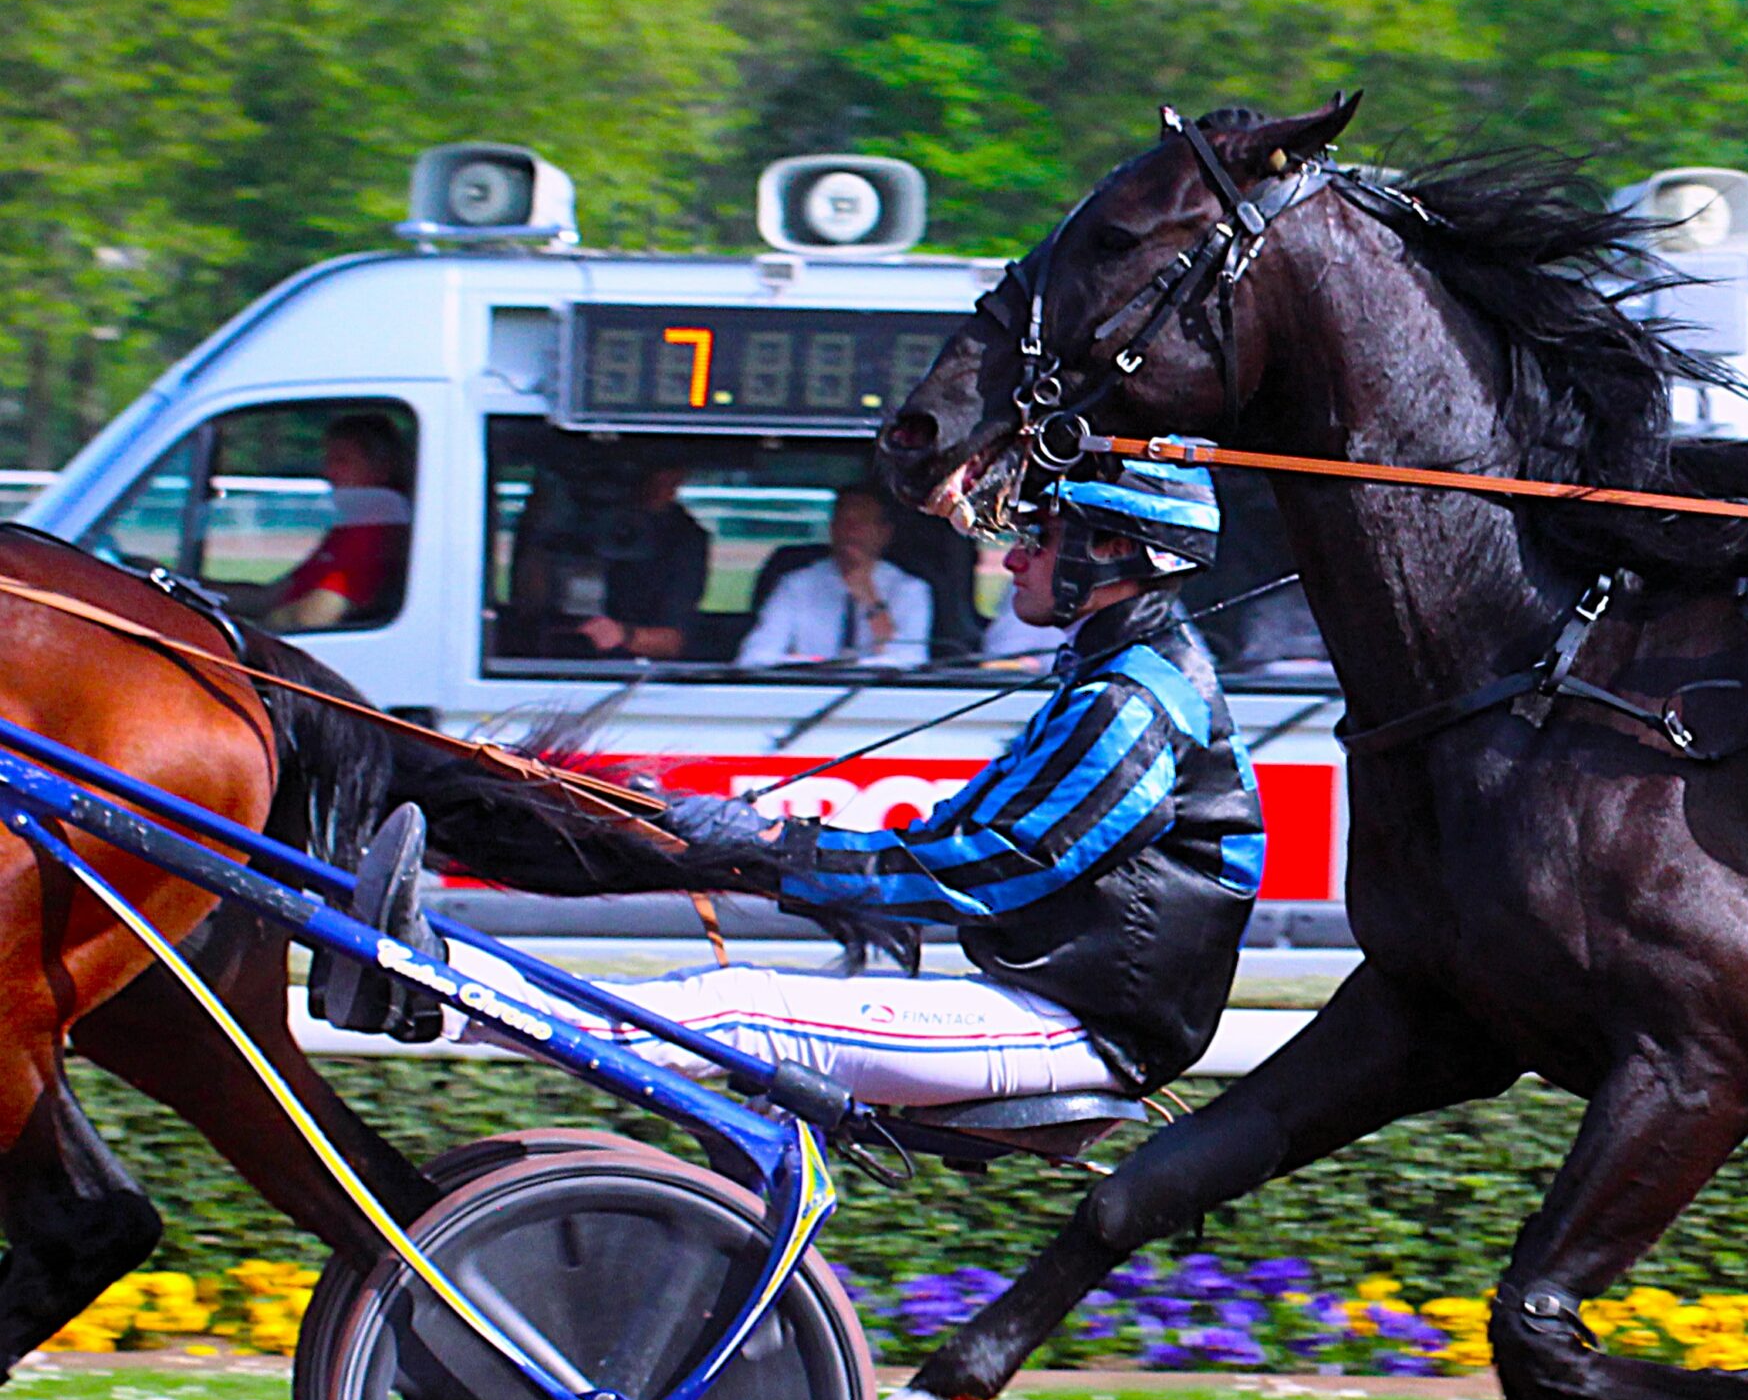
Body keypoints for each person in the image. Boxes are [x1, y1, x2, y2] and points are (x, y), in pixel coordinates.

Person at [396, 458, 1264, 1111]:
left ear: (1114, 550)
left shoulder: (1133, 701)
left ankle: (434, 991)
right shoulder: (1109, 678)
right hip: (1056, 1005)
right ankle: (447, 974)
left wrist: (784, 853)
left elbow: (986, 869)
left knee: (738, 1010)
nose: (1011, 562)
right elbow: (956, 833)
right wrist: (769, 840)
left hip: (1079, 1031)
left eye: (1037, 538)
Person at [507, 452, 710, 661]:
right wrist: (543, 533)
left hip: (626, 671)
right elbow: (526, 605)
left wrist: (623, 635)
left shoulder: (681, 538)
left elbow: (672, 642)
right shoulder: (560, 521)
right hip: (545, 661)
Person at [235, 413, 410, 631]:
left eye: (341, 461)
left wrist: (248, 636)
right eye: (329, 460)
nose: (327, 472)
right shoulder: (355, 524)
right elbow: (274, 595)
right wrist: (202, 592)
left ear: (382, 469)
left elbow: (313, 616)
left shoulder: (379, 526)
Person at [739, 485, 932, 667]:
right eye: (844, 521)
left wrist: (870, 598)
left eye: (861, 523)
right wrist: (811, 666)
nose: (851, 531)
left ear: (884, 533)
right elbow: (754, 657)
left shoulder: (910, 590)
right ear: (832, 528)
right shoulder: (796, 585)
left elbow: (909, 661)